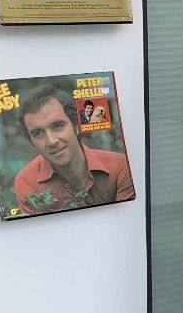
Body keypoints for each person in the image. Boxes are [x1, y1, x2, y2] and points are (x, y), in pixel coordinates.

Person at [14, 84, 135, 215]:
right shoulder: (28, 181)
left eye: (58, 126)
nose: (52, 141)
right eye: (38, 133)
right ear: (32, 142)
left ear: (76, 126)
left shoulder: (119, 167)